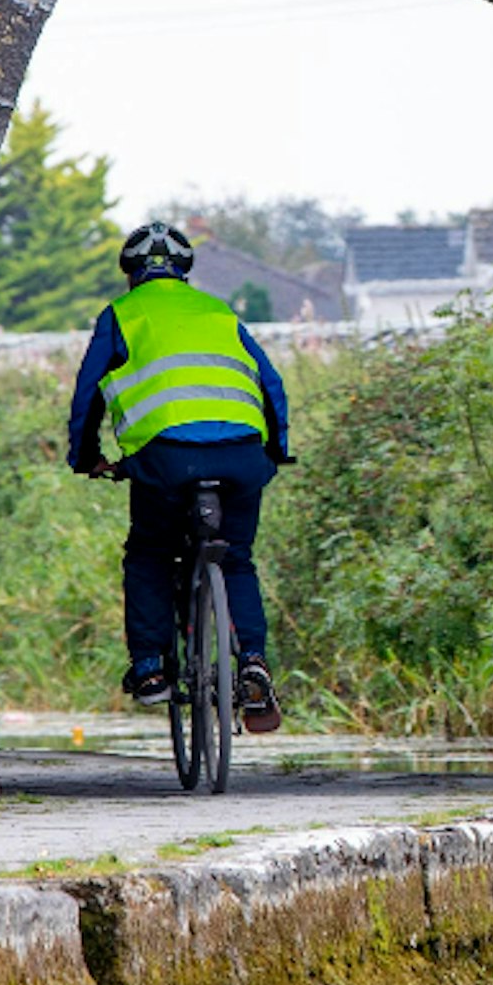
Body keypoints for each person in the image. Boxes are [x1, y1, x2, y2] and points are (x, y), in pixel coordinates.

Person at [67, 221, 291, 734]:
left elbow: (88, 397)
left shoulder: (120, 316)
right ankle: (252, 660)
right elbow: (271, 385)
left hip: (165, 460)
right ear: (184, 272)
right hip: (241, 457)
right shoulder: (220, 313)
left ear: (131, 274)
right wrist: (276, 452)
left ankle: (150, 669)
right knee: (236, 558)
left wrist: (87, 459)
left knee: (148, 553)